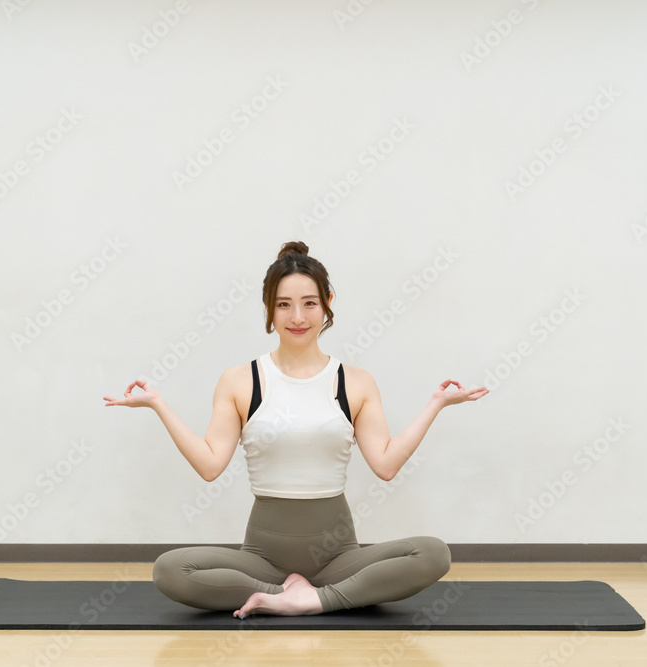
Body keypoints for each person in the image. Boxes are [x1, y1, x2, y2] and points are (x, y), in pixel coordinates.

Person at [103, 241, 489, 619]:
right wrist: (158, 405)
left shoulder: (354, 382)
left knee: (434, 553)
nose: (298, 317)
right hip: (262, 557)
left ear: (327, 304)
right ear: (270, 309)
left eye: (309, 303)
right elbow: (209, 465)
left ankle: (312, 599)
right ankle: (287, 594)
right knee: (170, 569)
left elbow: (386, 465)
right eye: (284, 305)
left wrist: (435, 406)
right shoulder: (241, 380)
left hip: (338, 555)